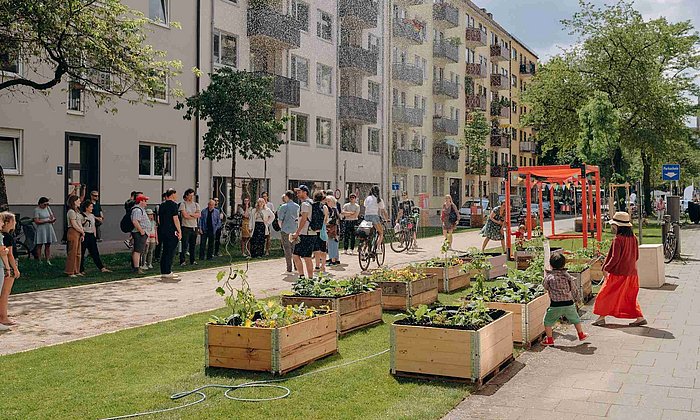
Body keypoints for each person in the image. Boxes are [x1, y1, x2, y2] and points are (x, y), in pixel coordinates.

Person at [592, 212, 646, 327]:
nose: (612, 227)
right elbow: (636, 256)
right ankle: (640, 317)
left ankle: (601, 317)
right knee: (629, 296)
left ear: (618, 226)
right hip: (632, 273)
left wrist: (606, 268)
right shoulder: (634, 238)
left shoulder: (618, 239)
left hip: (618, 274)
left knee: (605, 294)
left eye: (614, 225)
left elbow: (614, 258)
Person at [541, 253, 588, 346]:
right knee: (575, 319)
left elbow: (545, 286)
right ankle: (581, 334)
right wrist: (578, 299)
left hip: (555, 305)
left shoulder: (549, 277)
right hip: (569, 303)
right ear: (564, 264)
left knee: (547, 322)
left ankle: (549, 340)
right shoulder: (567, 276)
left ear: (551, 265)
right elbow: (574, 288)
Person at [291, 185, 316, 279]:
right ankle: (307, 277)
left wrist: (297, 232)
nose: (297, 194)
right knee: (301, 256)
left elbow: (304, 219)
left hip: (305, 234)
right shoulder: (312, 203)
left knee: (303, 257)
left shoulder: (305, 204)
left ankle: (306, 277)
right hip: (310, 233)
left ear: (305, 192)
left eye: (299, 192)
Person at [79, 201, 110, 274]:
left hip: (91, 235)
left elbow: (93, 226)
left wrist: (95, 235)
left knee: (95, 252)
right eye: (90, 207)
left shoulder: (92, 215)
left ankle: (101, 267)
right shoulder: (82, 215)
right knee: (82, 252)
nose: (92, 208)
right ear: (86, 208)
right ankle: (81, 269)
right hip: (85, 234)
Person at [0, 213, 18, 328]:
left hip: (7, 266)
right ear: (7, 223)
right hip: (9, 266)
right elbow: (10, 254)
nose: (15, 223)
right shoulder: (7, 237)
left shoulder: (4, 236)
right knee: (5, 293)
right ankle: (3, 316)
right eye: (13, 221)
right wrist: (15, 269)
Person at [159, 189, 182, 279]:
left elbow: (159, 219)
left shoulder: (162, 205)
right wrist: (179, 231)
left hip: (163, 230)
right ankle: (168, 270)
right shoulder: (173, 205)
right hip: (172, 231)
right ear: (172, 195)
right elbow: (175, 219)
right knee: (170, 251)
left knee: (165, 250)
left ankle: (163, 270)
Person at [277, 191, 300, 273]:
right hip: (295, 230)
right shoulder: (297, 206)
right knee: (295, 249)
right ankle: (297, 267)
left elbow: (280, 220)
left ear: (287, 196)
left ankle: (289, 268)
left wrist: (282, 227)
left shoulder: (283, 206)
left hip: (285, 230)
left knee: (287, 249)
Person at [179, 188, 201, 266]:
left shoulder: (196, 204)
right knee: (185, 245)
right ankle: (182, 260)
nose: (191, 197)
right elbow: (185, 215)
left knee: (193, 245)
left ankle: (193, 260)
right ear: (186, 195)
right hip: (186, 227)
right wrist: (193, 215)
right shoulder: (183, 204)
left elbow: (199, 215)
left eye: (193, 195)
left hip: (194, 227)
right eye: (190, 195)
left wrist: (190, 214)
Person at [33, 196, 58, 265]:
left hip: (48, 227)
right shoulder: (37, 210)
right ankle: (39, 260)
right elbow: (36, 221)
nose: (46, 206)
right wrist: (46, 221)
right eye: (44, 204)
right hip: (41, 228)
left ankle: (47, 259)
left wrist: (52, 220)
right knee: (40, 244)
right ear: (40, 204)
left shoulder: (48, 208)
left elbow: (52, 216)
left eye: (47, 204)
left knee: (48, 244)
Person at [64, 195, 84, 278]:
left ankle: (77, 270)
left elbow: (79, 223)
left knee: (78, 252)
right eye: (78, 200)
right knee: (72, 252)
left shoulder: (77, 211)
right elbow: (73, 224)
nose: (80, 202)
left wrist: (82, 232)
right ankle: (70, 271)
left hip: (79, 232)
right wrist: (81, 231)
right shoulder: (71, 212)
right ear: (74, 202)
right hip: (73, 231)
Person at [130, 194, 150, 275]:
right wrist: (142, 231)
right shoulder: (137, 210)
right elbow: (135, 221)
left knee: (139, 250)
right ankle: (136, 268)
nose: (146, 203)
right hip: (139, 233)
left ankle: (137, 267)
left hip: (141, 233)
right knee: (137, 251)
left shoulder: (140, 209)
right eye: (145, 201)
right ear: (140, 201)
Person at [313, 191, 329, 272]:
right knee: (323, 249)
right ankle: (323, 266)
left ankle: (316, 266)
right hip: (322, 230)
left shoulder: (312, 206)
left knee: (316, 250)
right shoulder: (324, 207)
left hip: (314, 230)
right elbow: (326, 219)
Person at [325, 195, 340, 266]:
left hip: (332, 229)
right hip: (335, 229)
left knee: (332, 245)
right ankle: (336, 259)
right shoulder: (335, 209)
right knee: (334, 244)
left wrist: (326, 222)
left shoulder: (332, 210)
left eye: (328, 201)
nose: (327, 202)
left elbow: (332, 220)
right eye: (326, 201)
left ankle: (333, 260)